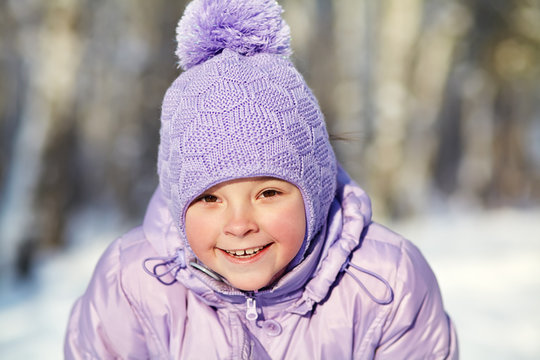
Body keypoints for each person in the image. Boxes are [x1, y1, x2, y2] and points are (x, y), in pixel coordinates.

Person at [64, 0, 458, 358]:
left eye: (268, 192)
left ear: (315, 193)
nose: (239, 225)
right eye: (209, 199)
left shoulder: (386, 283)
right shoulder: (132, 285)